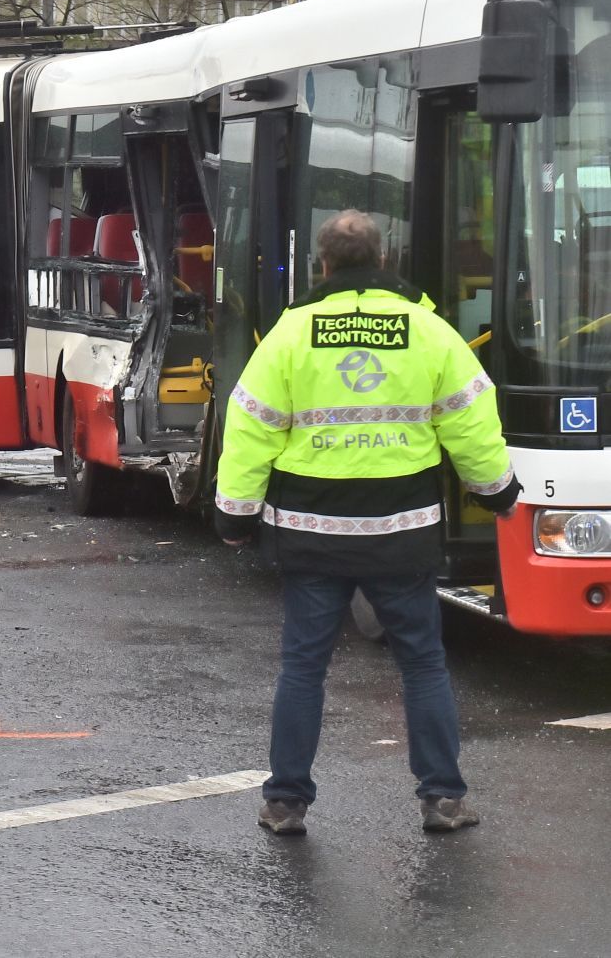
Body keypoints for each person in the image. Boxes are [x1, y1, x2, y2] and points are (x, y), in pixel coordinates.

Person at [216, 209, 520, 837]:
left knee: (304, 666)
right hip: (400, 532)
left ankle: (285, 802)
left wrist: (235, 515)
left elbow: (250, 428)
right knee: (423, 663)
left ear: (321, 265)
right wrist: (499, 493)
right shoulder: (430, 332)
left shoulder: (291, 334)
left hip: (311, 531)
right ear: (384, 261)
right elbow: (470, 422)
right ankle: (442, 798)